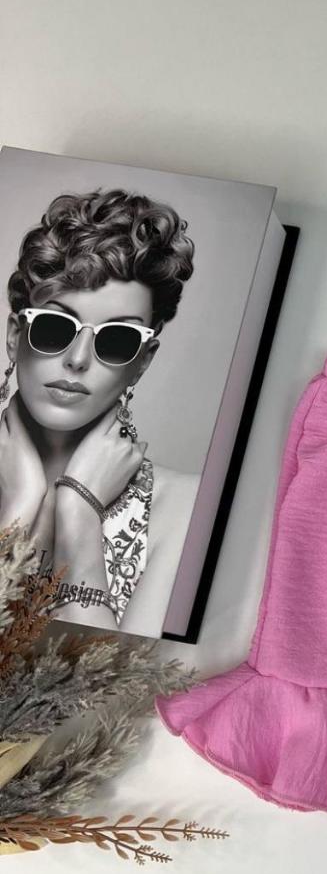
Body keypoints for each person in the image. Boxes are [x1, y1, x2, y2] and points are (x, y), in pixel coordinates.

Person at [0, 188, 200, 634]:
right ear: (15, 336)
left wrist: (79, 512)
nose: (77, 360)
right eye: (55, 328)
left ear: (142, 361)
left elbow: (109, 678)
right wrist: (19, 508)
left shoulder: (186, 508)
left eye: (116, 340)